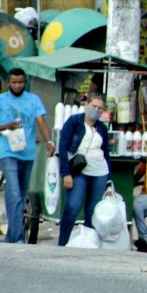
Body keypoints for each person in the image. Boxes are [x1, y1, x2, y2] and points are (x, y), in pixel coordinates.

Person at [0, 68, 55, 244]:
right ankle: (18, 238)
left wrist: (49, 141)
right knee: (15, 194)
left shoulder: (33, 100)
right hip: (8, 153)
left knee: (19, 196)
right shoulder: (0, 100)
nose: (17, 85)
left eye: (21, 82)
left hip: (27, 154)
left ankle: (11, 236)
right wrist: (8, 126)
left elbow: (41, 122)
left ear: (25, 82)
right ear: (8, 82)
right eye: (14, 82)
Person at [57, 95, 111, 247]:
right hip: (79, 170)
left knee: (93, 211)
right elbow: (63, 147)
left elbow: (106, 153)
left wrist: (109, 179)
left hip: (100, 171)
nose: (96, 110)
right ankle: (63, 243)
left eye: (100, 108)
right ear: (86, 105)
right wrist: (65, 173)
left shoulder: (102, 128)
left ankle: (88, 244)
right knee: (72, 207)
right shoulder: (74, 122)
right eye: (94, 106)